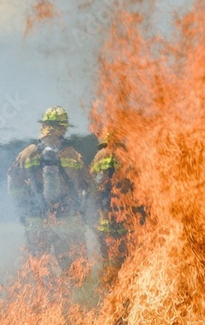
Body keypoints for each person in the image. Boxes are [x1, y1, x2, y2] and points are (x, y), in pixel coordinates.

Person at [8, 106, 88, 273]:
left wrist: (23, 209)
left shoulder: (27, 153)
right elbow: (87, 185)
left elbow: (14, 184)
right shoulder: (72, 155)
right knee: (73, 270)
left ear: (43, 126)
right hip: (67, 220)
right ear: (63, 128)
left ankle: (46, 297)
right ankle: (73, 298)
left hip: (36, 221)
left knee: (39, 271)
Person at [89, 132, 129, 278]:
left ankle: (110, 281)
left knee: (108, 252)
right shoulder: (126, 154)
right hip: (124, 209)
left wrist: (97, 199)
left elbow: (92, 181)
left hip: (105, 210)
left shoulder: (100, 155)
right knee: (124, 252)